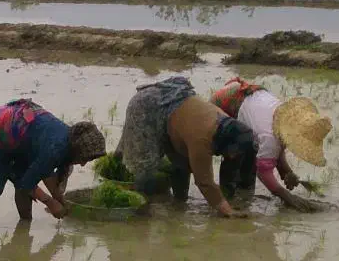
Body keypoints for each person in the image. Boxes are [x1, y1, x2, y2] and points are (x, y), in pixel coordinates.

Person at [113, 76, 257, 218]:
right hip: (147, 107)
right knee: (144, 165)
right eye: (234, 153)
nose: (232, 157)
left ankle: (179, 202)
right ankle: (139, 209)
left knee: (182, 163)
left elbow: (192, 164)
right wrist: (227, 210)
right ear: (230, 145)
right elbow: (204, 182)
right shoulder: (203, 137)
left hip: (172, 107)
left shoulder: (228, 124)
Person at [0, 99, 104, 230]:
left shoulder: (69, 139)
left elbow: (44, 171)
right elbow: (27, 184)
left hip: (20, 140)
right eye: (83, 159)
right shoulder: (56, 148)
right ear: (77, 151)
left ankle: (24, 228)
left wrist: (60, 200)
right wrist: (50, 203)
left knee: (24, 186)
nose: (82, 164)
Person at [210, 78, 327, 212]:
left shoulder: (283, 118)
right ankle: (227, 199)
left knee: (250, 159)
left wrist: (285, 170)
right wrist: (285, 195)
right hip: (224, 104)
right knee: (235, 154)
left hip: (245, 96)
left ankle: (243, 194)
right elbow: (263, 170)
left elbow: (278, 145)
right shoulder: (268, 134)